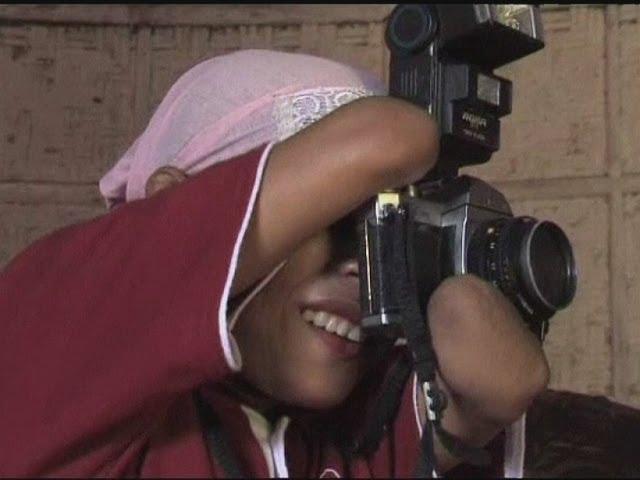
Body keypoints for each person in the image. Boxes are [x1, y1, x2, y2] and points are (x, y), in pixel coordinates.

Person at [0, 49, 549, 477]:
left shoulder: (339, 439)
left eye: (377, 235)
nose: (360, 267)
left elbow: (502, 375)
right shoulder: (65, 346)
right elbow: (393, 138)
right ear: (176, 209)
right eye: (335, 218)